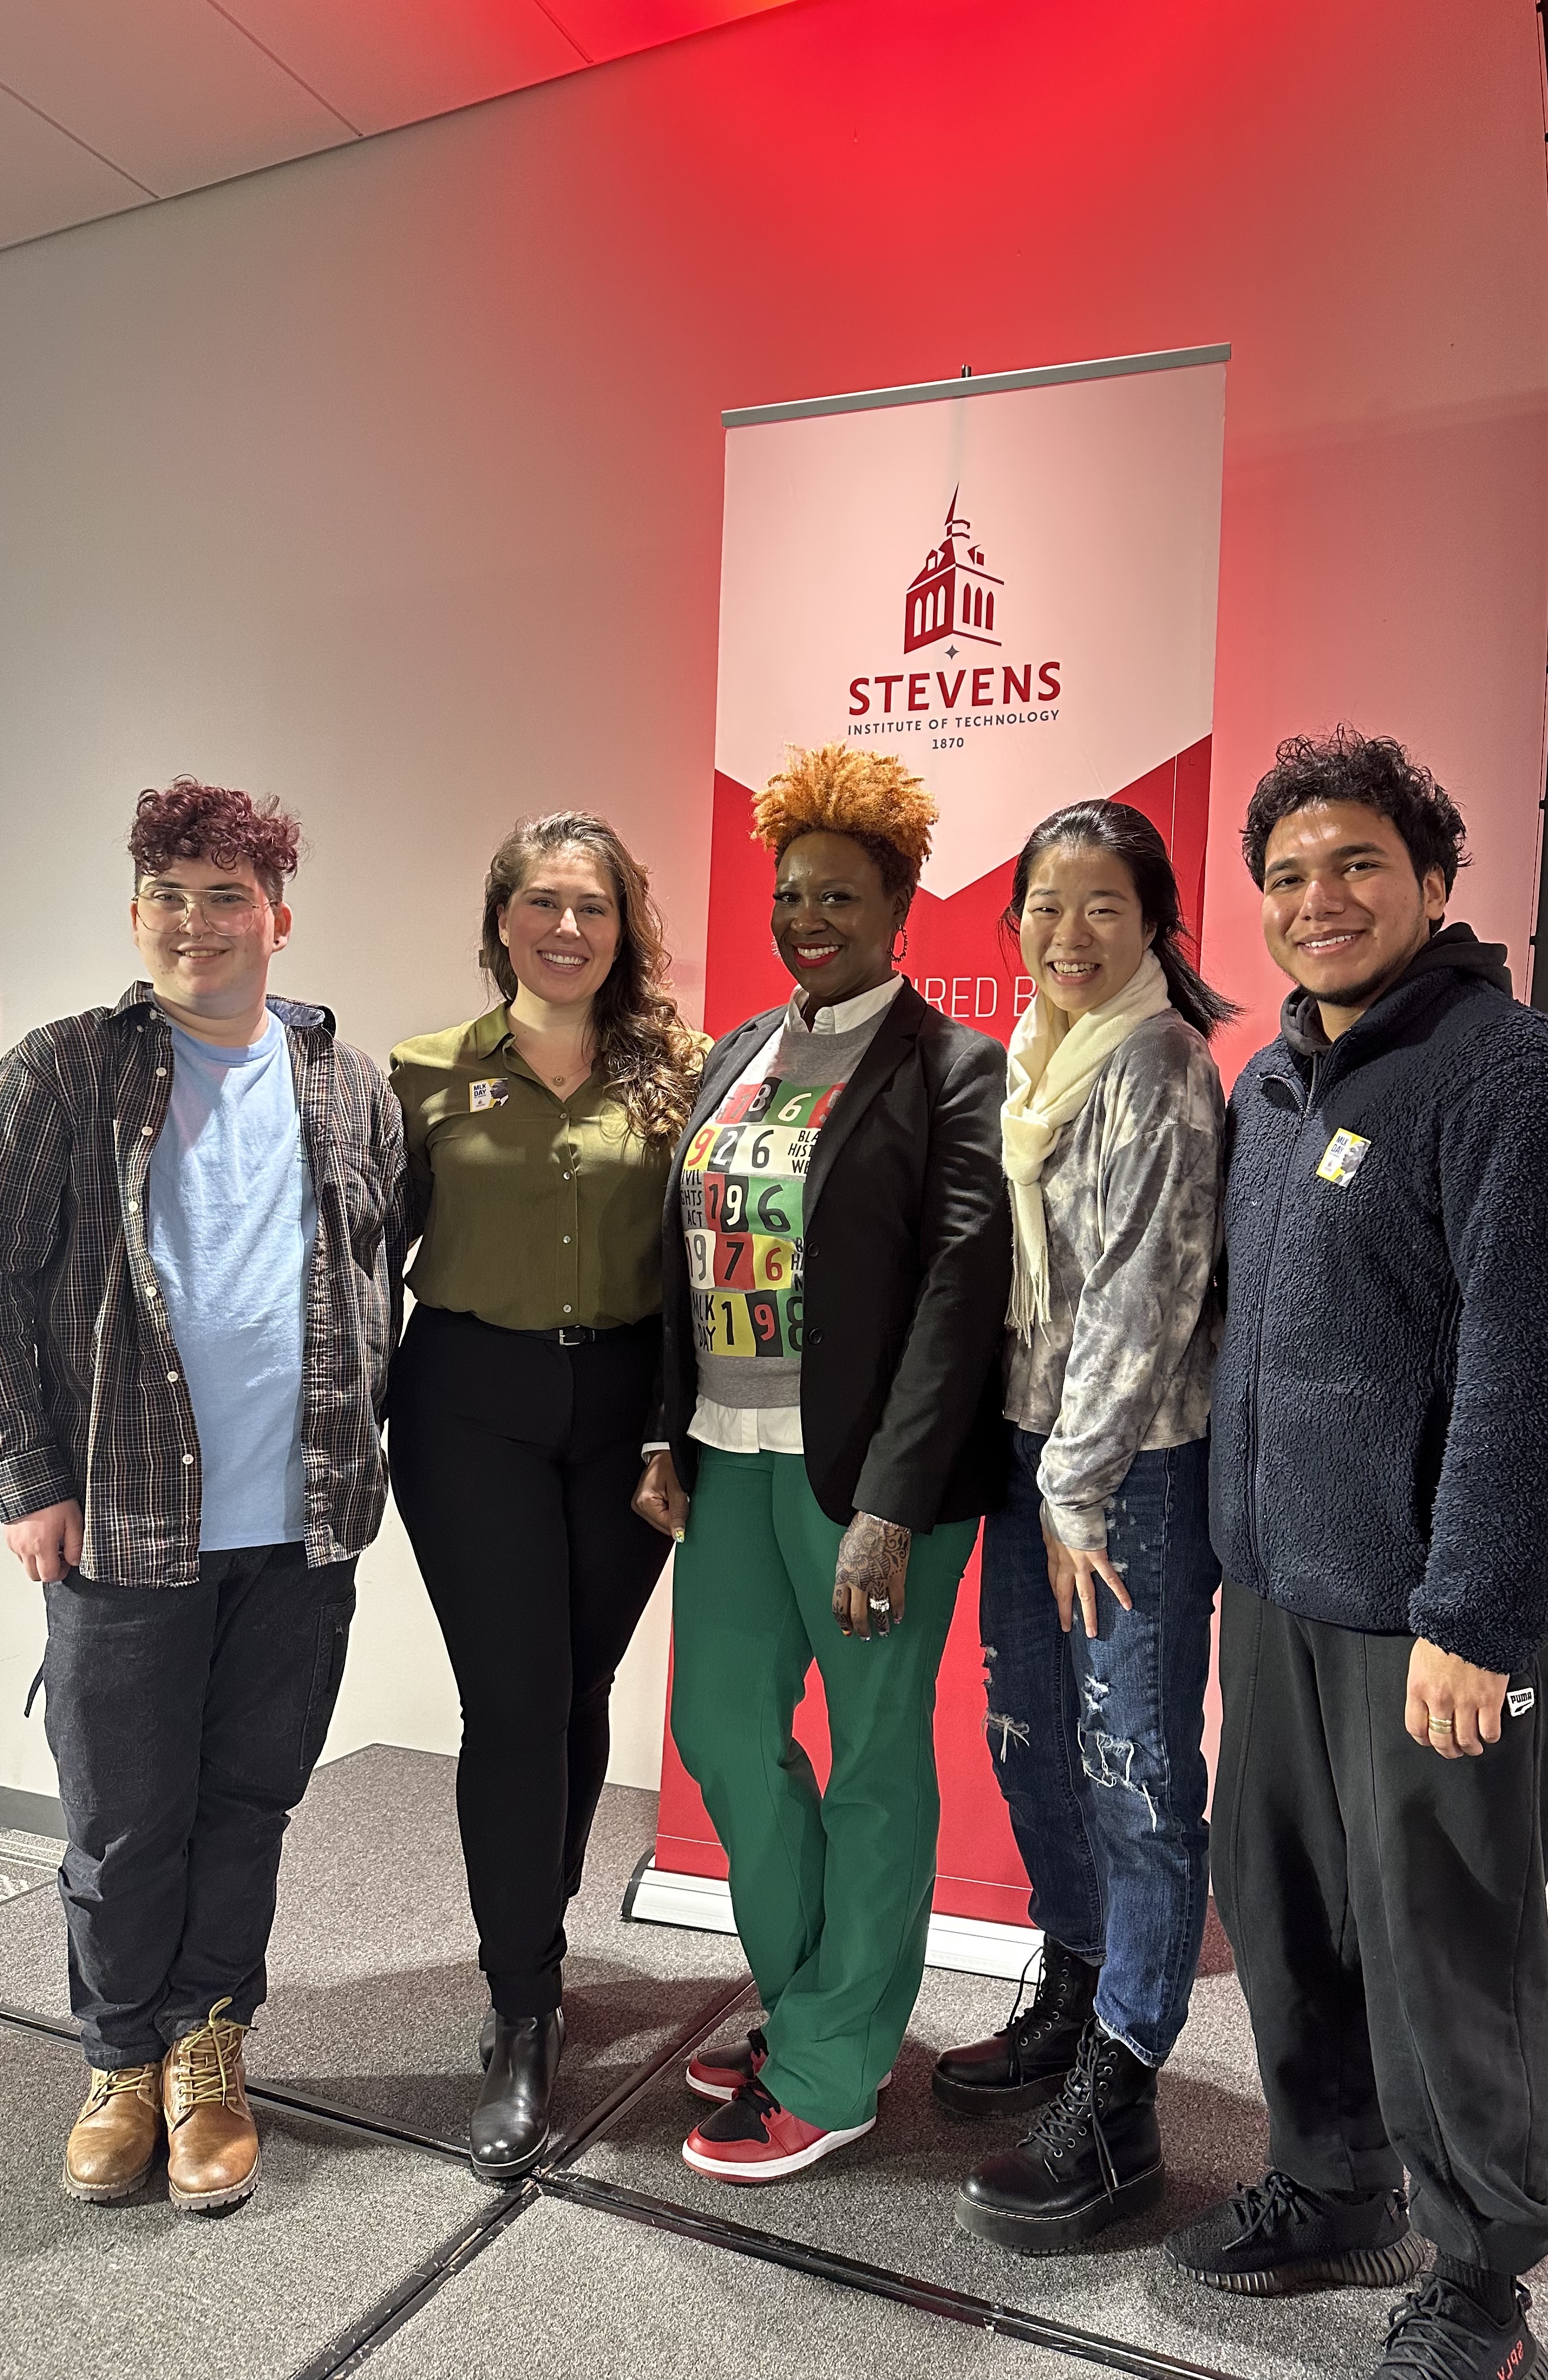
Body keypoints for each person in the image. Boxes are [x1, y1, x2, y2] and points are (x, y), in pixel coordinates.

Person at [1164, 731, 1548, 2380]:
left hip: (1437, 1617)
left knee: (1448, 1943)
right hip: (1281, 1589)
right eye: (1288, 875)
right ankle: (1331, 2182)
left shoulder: (1524, 1083)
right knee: (1284, 1909)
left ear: (1436, 883)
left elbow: (1536, 1375)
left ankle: (1483, 2280)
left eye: (1358, 862)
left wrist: (1480, 1617)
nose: (1321, 898)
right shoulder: (1273, 1083)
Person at [0, 779, 409, 2213]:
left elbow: (379, 1272)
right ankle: (118, 2060)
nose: (196, 923)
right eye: (168, 896)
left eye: (226, 898)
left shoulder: (347, 1083)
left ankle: (208, 2049)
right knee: (124, 1825)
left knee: (247, 1807)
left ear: (278, 919)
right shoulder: (67, 1071)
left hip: (300, 1529)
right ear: (136, 914)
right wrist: (27, 1476)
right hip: (124, 1524)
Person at [632, 743, 1010, 2183]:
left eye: (841, 897)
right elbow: (682, 1254)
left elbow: (961, 1292)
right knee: (723, 1733)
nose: (810, 920)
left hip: (867, 1485)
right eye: (793, 894)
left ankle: (833, 2066)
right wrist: (665, 1427)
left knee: (873, 1766)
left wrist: (894, 1507)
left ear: (901, 907)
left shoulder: (953, 1068)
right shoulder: (739, 1052)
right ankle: (808, 2007)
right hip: (728, 1459)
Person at [387, 812, 703, 2182]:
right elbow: (360, 1258)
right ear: (501, 919)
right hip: (468, 1404)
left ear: (624, 929)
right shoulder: (422, 1074)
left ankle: (538, 1921)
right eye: (543, 904)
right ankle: (522, 2004)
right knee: (514, 1698)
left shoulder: (681, 1075)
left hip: (628, 1417)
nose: (567, 929)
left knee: (577, 1684)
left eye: (594, 907)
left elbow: (704, 1269)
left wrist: (681, 1430)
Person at [941, 800, 1232, 2252]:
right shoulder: (1036, 1060)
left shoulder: (1160, 1062)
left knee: (1135, 1776)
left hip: (1129, 1478)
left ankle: (1123, 2091)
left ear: (1154, 923)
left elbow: (1143, 1294)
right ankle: (1072, 1983)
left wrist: (1076, 1486)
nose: (1070, 934)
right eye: (1046, 908)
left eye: (1103, 906)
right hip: (1030, 1454)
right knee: (1031, 1741)